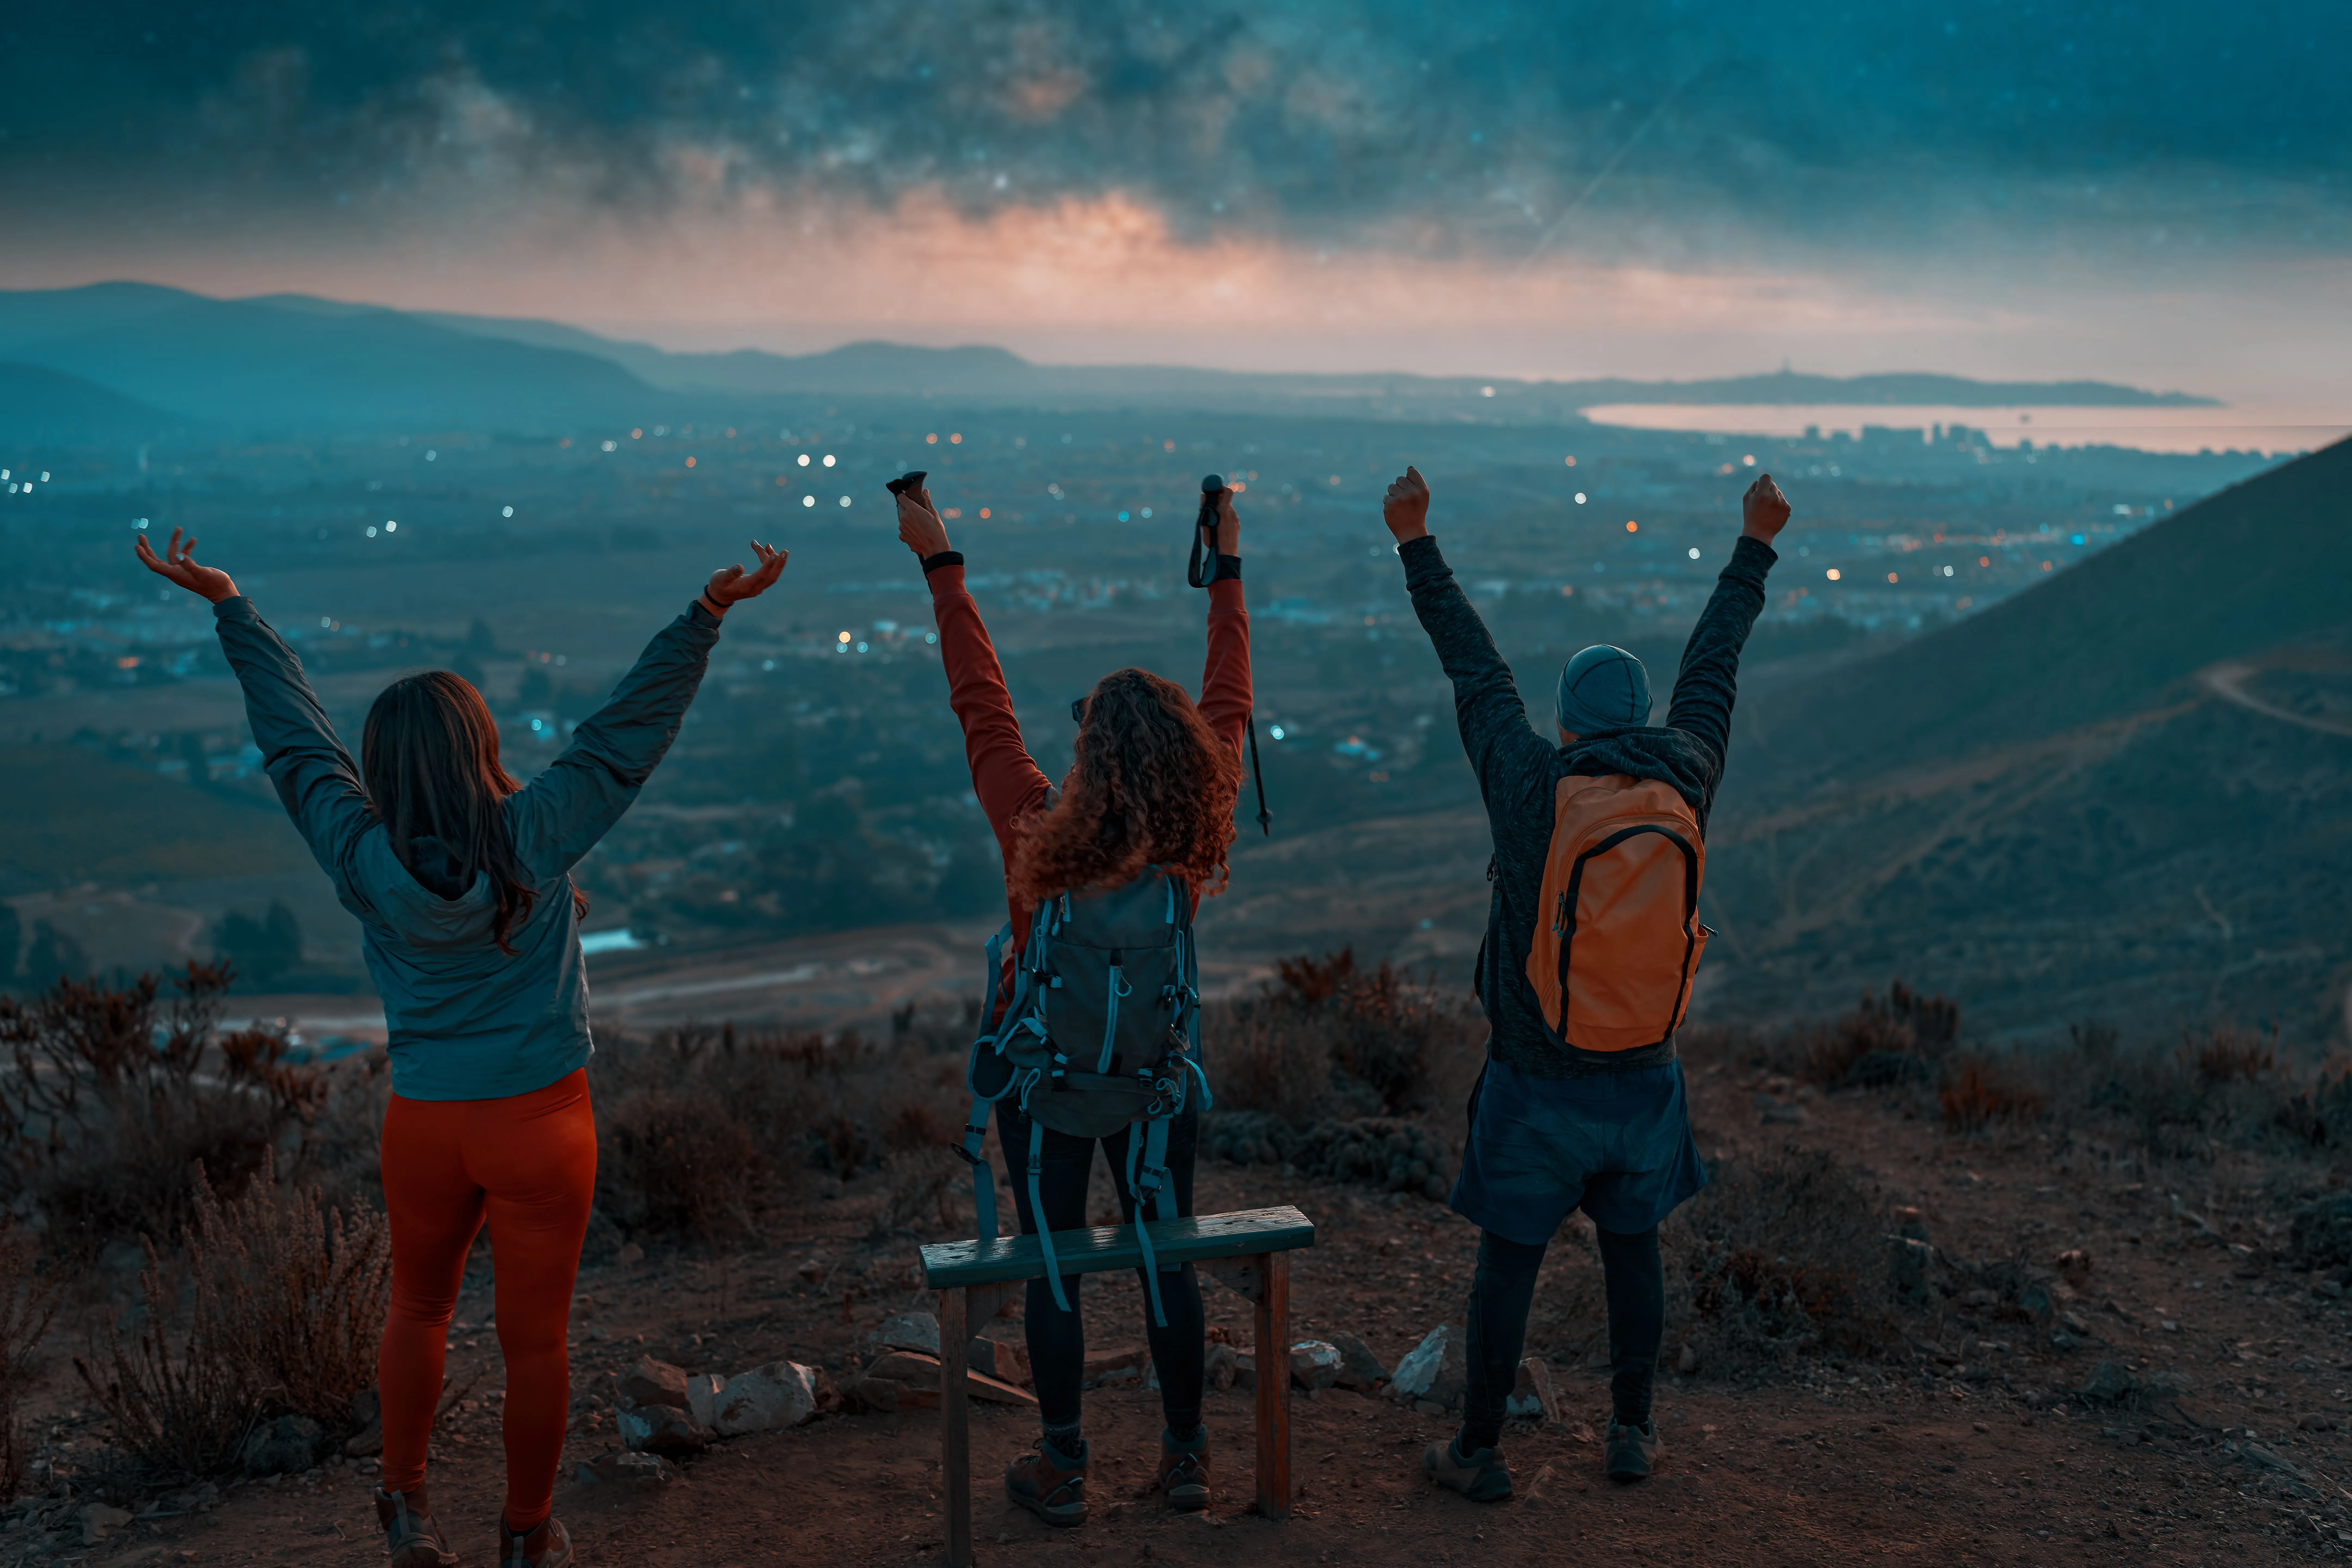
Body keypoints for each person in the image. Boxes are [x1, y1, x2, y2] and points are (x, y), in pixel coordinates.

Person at [135, 525, 787, 1567]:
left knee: (419, 1309)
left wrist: (233, 608)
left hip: (427, 1124)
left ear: (383, 770)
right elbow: (625, 736)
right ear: (481, 748)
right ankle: (526, 1535)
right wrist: (703, 617)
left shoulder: (357, 854)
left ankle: (406, 1509)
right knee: (536, 1343)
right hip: (543, 1124)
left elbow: (296, 743)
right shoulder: (536, 836)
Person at [1376, 466, 1790, 1500]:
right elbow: (1715, 666)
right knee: (1633, 1254)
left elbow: (1475, 671)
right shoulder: (1686, 770)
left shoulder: (1530, 789)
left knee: (1509, 1268)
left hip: (1535, 1079)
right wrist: (1754, 545)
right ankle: (1632, 1432)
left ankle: (1479, 1454)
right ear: (1640, 717)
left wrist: (1415, 542)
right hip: (1644, 1076)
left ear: (1566, 723)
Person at [892, 478, 1251, 1526]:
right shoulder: (1193, 845)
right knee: (1162, 1249)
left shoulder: (1034, 833)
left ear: (1087, 753)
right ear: (1186, 759)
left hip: (1041, 1089)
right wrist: (1226, 564)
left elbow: (980, 698)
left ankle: (1062, 1465)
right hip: (1153, 1092)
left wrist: (939, 561)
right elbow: (1229, 698)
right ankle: (1186, 1459)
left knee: (1053, 1257)